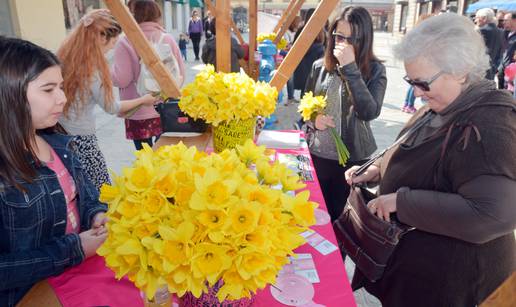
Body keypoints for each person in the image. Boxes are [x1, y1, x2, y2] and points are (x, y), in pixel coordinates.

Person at [345, 13, 516, 306]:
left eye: (423, 83)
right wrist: (377, 169)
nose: (416, 93)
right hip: (417, 278)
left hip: (454, 288)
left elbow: (492, 215)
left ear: (461, 71)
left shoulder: (491, 121)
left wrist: (401, 201)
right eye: (410, 81)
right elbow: (420, 156)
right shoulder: (446, 102)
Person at [0, 37, 108, 307]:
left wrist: (96, 214)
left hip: (78, 278)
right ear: (8, 93)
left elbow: (86, 196)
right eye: (49, 90)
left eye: (61, 87)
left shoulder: (59, 143)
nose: (63, 98)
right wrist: (74, 249)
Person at [58, 9, 158, 190]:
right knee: (100, 190)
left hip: (60, 132)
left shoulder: (65, 55)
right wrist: (142, 100)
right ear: (102, 38)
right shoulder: (92, 69)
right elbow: (112, 107)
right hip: (81, 139)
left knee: (75, 186)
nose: (113, 47)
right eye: (113, 42)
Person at [304, 6, 386, 221]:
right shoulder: (319, 66)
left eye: (353, 39)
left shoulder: (376, 70)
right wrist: (314, 119)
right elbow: (306, 106)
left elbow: (369, 112)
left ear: (365, 39)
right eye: (339, 37)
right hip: (318, 155)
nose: (344, 44)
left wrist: (350, 68)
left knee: (341, 221)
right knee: (314, 217)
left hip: (351, 161)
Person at [112, 0, 185, 151]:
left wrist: (109, 72)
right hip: (164, 108)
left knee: (144, 155)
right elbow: (180, 75)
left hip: (137, 109)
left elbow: (122, 79)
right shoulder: (167, 39)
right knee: (163, 153)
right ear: (157, 15)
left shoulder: (125, 42)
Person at [293, 8, 325, 99]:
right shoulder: (321, 31)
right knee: (313, 93)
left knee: (304, 93)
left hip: (302, 66)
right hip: (315, 64)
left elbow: (295, 47)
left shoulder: (300, 30)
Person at [475, 8, 503, 80]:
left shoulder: (480, 31)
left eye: (477, 18)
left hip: (477, 72)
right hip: (491, 72)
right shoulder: (501, 32)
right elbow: (500, 53)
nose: (475, 20)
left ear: (484, 18)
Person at [498, 12, 516, 89]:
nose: (503, 22)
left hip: (512, 73)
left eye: (506, 20)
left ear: (514, 20)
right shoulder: (504, 33)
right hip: (502, 69)